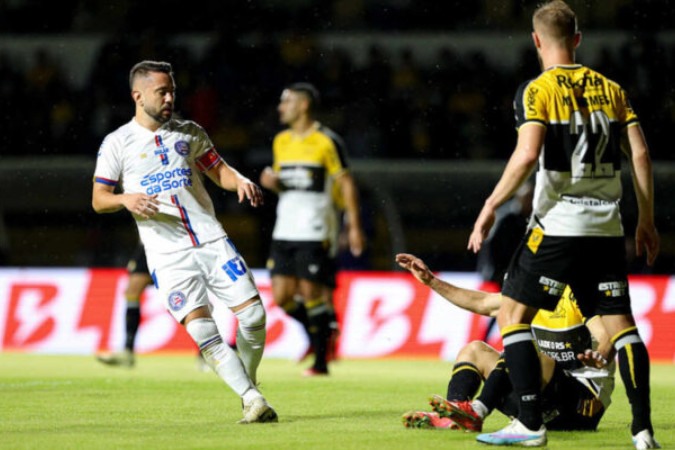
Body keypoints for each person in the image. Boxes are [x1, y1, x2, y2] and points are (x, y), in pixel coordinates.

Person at [467, 2, 660, 448]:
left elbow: (528, 154)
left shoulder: (537, 90)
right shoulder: (612, 89)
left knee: (513, 317)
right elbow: (642, 155)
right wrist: (645, 220)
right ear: (578, 38)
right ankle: (643, 430)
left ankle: (530, 423)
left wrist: (491, 204)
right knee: (622, 328)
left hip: (557, 225)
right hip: (607, 227)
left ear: (536, 41)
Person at [92, 60, 277, 424]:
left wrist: (238, 180)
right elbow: (99, 199)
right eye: (162, 91)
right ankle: (251, 397)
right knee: (202, 328)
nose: (169, 98)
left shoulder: (189, 132)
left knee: (254, 316)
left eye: (172, 91)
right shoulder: (117, 143)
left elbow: (218, 169)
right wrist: (124, 199)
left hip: (210, 239)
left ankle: (248, 378)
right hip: (166, 253)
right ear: (138, 95)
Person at [396, 253, 614, 433]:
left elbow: (606, 337)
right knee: (474, 350)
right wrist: (431, 281)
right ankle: (456, 414)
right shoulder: (532, 295)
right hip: (538, 403)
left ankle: (478, 409)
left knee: (523, 348)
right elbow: (481, 302)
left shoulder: (578, 293)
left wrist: (600, 355)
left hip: (583, 407)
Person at [260, 82, 365, 376]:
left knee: (311, 292)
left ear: (303, 105)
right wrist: (272, 182)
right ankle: (324, 333)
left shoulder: (327, 141)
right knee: (281, 296)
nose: (280, 108)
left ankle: (320, 362)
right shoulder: (281, 141)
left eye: (286, 102)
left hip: (315, 228)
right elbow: (287, 183)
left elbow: (346, 183)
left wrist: (353, 225)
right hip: (284, 228)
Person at [96, 243, 153, 367]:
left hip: (175, 240)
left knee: (186, 294)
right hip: (148, 242)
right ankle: (128, 352)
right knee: (132, 291)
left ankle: (203, 350)